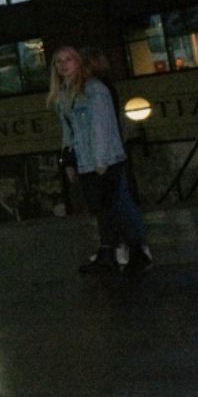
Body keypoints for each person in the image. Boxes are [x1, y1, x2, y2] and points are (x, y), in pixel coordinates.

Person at [48, 45, 152, 275]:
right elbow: (68, 131)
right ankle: (109, 253)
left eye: (68, 60)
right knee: (101, 209)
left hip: (105, 160)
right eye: (58, 61)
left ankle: (135, 252)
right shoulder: (63, 95)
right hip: (86, 161)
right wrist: (69, 163)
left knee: (114, 206)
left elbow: (102, 127)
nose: (63, 65)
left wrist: (101, 161)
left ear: (79, 62)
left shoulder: (94, 89)